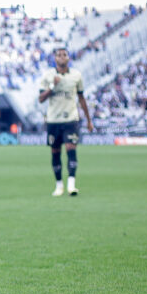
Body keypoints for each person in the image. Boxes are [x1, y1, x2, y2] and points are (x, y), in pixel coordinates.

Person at [38, 47, 93, 196]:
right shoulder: (48, 76)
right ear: (55, 59)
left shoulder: (76, 75)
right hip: (53, 120)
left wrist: (89, 120)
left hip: (71, 119)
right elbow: (41, 99)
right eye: (59, 55)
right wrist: (52, 86)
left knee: (71, 149)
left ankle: (71, 185)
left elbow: (81, 98)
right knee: (55, 152)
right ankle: (59, 185)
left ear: (69, 58)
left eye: (64, 55)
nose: (62, 57)